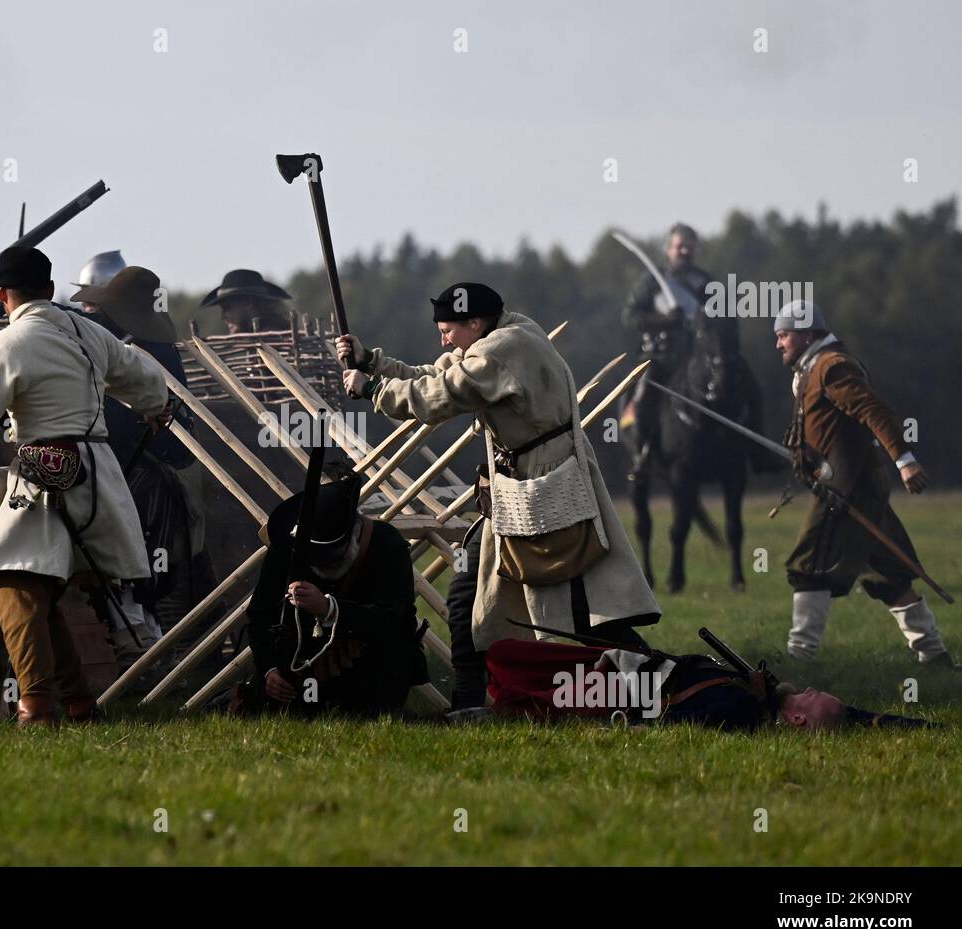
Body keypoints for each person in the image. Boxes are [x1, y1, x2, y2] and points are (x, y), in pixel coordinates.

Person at [339, 282, 662, 686]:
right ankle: (473, 702)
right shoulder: (504, 333)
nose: (443, 339)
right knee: (471, 598)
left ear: (475, 322)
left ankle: (654, 681)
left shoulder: (502, 350)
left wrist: (371, 390)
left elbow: (438, 395)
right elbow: (433, 375)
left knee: (575, 608)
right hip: (516, 496)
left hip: (541, 495)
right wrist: (371, 362)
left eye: (448, 330)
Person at [0, 247, 170, 727]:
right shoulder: (87, 331)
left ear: (2, 296)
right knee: (35, 587)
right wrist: (147, 403)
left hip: (41, 472)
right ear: (51, 290)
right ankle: (78, 705)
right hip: (96, 476)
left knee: (11, 583)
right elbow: (148, 385)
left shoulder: (7, 343)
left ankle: (36, 710)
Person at [773, 300, 955, 665]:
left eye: (783, 335)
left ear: (807, 334)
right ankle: (934, 655)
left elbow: (872, 410)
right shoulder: (812, 368)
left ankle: (799, 658)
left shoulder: (832, 366)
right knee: (888, 574)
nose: (779, 344)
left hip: (847, 489)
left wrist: (904, 461)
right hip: (858, 486)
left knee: (809, 565)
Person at [74, 266, 214, 646]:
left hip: (150, 474)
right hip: (146, 467)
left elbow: (129, 420)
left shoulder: (141, 349)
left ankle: (149, 648)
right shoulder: (138, 344)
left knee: (148, 573)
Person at [242, 474, 429, 717]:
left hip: (369, 670)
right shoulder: (288, 546)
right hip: (297, 667)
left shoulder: (386, 545)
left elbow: (391, 619)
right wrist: (269, 670)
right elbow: (260, 614)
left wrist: (329, 609)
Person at [483, 635, 932, 731]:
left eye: (815, 699)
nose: (813, 690)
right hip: (627, 668)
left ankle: (473, 716)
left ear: (797, 719)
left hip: (619, 689)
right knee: (505, 653)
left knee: (515, 698)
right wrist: (924, 726)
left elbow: (672, 721)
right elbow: (861, 718)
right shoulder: (765, 695)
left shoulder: (740, 712)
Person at [620, 223, 767, 478]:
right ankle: (642, 454)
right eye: (680, 246)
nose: (685, 252)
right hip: (661, 356)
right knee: (643, 394)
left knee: (749, 384)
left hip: (700, 356)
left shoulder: (705, 282)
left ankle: (758, 451)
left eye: (689, 247)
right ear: (668, 249)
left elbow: (720, 318)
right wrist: (666, 320)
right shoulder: (651, 282)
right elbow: (630, 316)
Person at [200, 269, 294, 334]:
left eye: (227, 307)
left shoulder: (272, 340)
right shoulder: (264, 339)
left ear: (248, 302)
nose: (223, 316)